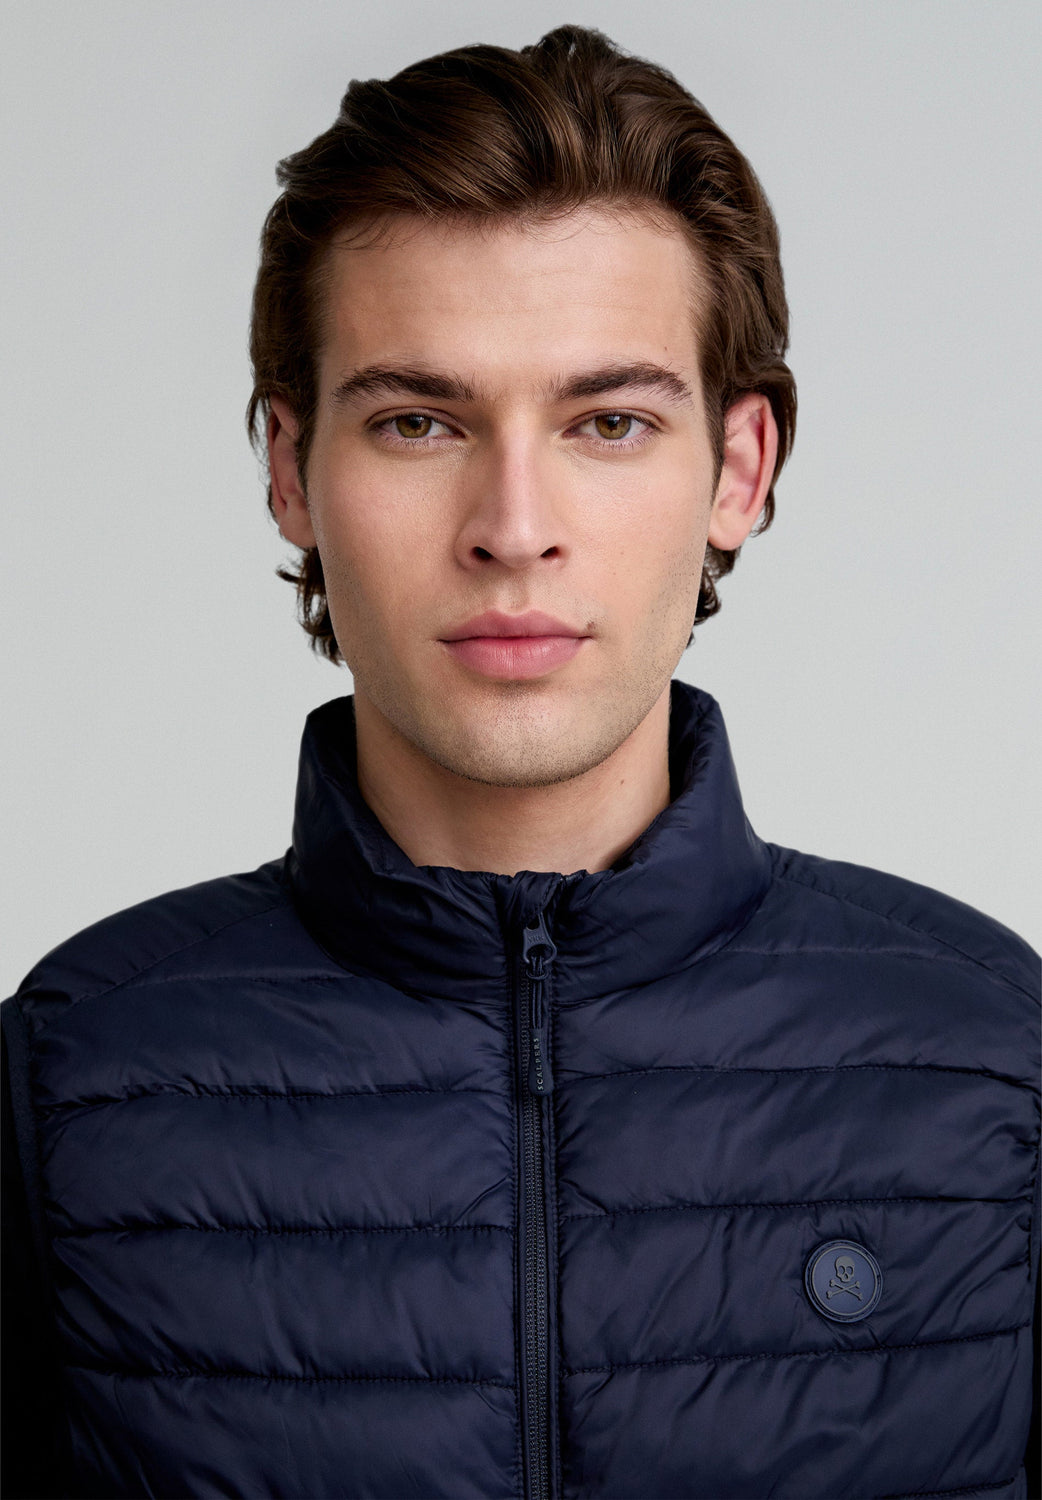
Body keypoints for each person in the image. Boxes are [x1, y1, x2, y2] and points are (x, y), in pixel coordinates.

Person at [2, 24, 1038, 1500]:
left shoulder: (995, 1058)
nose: (512, 526)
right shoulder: (68, 1080)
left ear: (739, 469)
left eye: (607, 422)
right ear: (291, 471)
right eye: (418, 422)